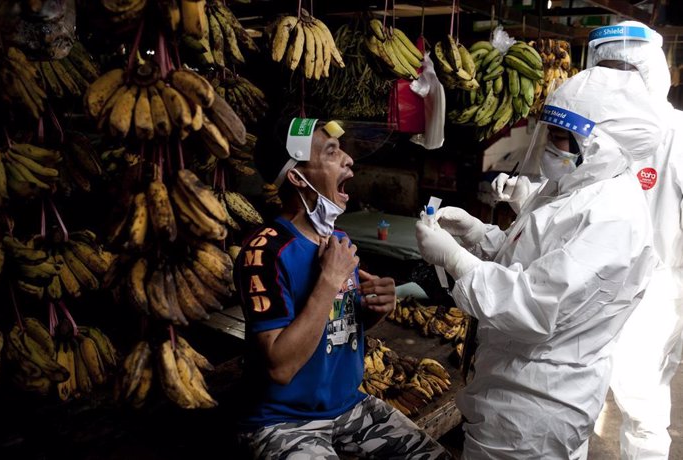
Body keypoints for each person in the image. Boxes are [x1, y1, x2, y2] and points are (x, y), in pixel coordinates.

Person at [415, 66, 661, 459]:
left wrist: (456, 260)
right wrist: (480, 235)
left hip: (536, 404)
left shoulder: (614, 217)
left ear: (598, 143)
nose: (549, 144)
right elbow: (533, 261)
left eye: (560, 136)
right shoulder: (574, 186)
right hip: (512, 384)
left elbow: (534, 304)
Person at [234, 117, 450, 459]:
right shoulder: (264, 253)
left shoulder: (339, 240)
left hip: (350, 408)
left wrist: (373, 310)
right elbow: (280, 367)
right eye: (332, 152)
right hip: (283, 423)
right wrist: (329, 280)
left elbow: (336, 330)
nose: (348, 159)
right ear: (297, 176)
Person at [585, 21, 683, 460]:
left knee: (642, 409)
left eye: (628, 68)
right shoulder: (588, 128)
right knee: (575, 404)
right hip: (585, 288)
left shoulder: (676, 135)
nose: (617, 79)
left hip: (653, 296)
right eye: (608, 68)